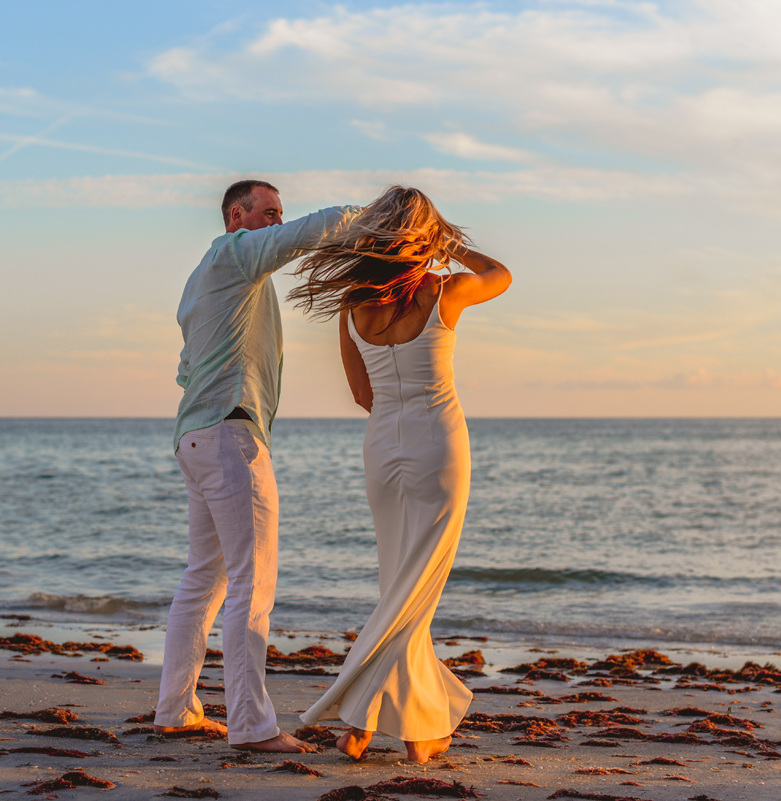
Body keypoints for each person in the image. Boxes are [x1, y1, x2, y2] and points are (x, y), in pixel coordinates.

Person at [289, 186, 512, 763]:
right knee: (416, 594)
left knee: (399, 586)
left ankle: (364, 726)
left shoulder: (353, 305)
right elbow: (501, 274)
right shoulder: (445, 289)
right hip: (438, 443)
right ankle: (413, 734)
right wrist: (453, 245)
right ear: (425, 238)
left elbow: (362, 393)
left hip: (382, 446)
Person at [154, 180, 359, 753]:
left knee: (204, 578)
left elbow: (185, 369)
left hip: (196, 436)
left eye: (279, 213)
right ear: (235, 217)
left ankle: (175, 710)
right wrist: (381, 216)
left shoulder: (201, 281)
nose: (276, 222)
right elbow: (311, 231)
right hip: (229, 435)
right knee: (251, 581)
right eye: (267, 213)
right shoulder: (234, 254)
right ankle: (251, 726)